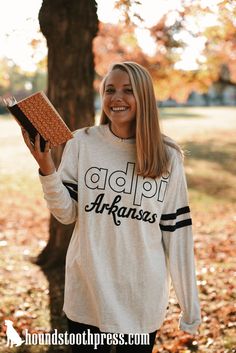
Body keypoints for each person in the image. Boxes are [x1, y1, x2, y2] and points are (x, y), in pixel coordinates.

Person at [22, 61, 201, 352]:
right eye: (110, 90)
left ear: (144, 96)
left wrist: (189, 307)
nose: (116, 98)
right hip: (87, 291)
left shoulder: (168, 157)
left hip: (141, 295)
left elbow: (177, 234)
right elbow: (67, 214)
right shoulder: (82, 142)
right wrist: (46, 168)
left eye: (128, 90)